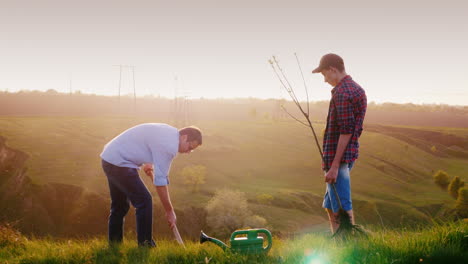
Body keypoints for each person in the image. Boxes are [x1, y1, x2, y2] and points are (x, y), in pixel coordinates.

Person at [100, 123, 202, 247]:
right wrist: (169, 211)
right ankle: (145, 245)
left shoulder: (170, 133)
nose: (188, 152)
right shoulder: (169, 146)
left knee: (120, 205)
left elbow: (149, 140)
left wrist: (149, 162)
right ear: (184, 137)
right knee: (144, 201)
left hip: (109, 158)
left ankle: (114, 245)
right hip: (120, 163)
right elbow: (160, 182)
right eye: (190, 147)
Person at [312, 54, 367, 234]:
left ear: (332, 70)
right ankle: (338, 238)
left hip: (338, 157)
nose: (325, 80)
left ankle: (347, 242)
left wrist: (334, 165)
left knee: (341, 203)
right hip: (349, 153)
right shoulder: (357, 89)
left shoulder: (342, 94)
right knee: (330, 202)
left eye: (325, 75)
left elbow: (346, 130)